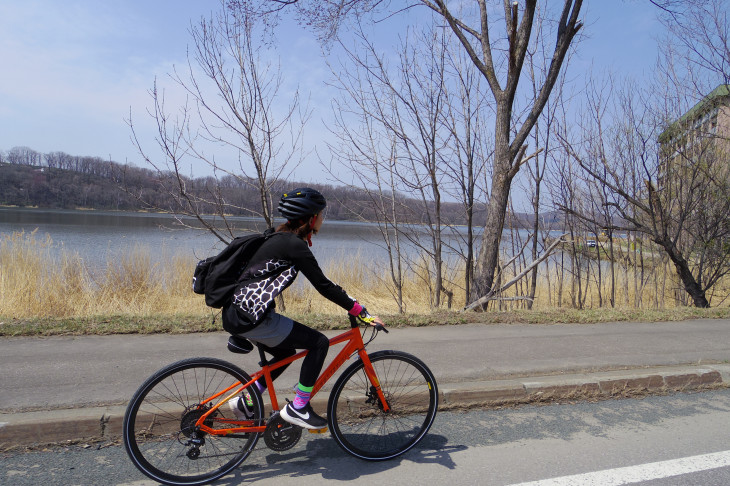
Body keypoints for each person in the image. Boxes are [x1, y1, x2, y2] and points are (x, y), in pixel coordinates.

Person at [222, 187, 385, 429]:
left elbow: (324, 285)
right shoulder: (294, 245)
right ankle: (299, 407)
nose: (322, 219)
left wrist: (352, 303)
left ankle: (247, 401)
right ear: (310, 218)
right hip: (252, 319)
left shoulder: (278, 237)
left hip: (239, 314)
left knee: (285, 353)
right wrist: (359, 311)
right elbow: (323, 285)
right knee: (318, 343)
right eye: (321, 214)